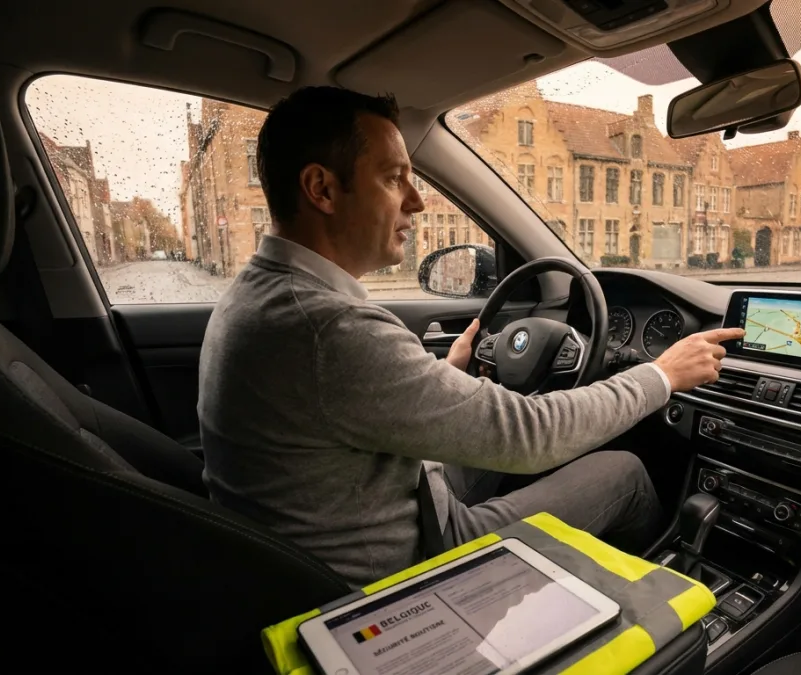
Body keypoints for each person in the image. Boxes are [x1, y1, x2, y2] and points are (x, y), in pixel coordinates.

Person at [197, 86, 744, 588]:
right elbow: (532, 435)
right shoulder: (329, 328)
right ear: (322, 189)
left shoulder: (255, 295)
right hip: (402, 572)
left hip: (351, 526)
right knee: (622, 472)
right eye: (393, 179)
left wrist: (444, 378)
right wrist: (662, 374)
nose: (417, 201)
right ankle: (651, 607)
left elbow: (348, 405)